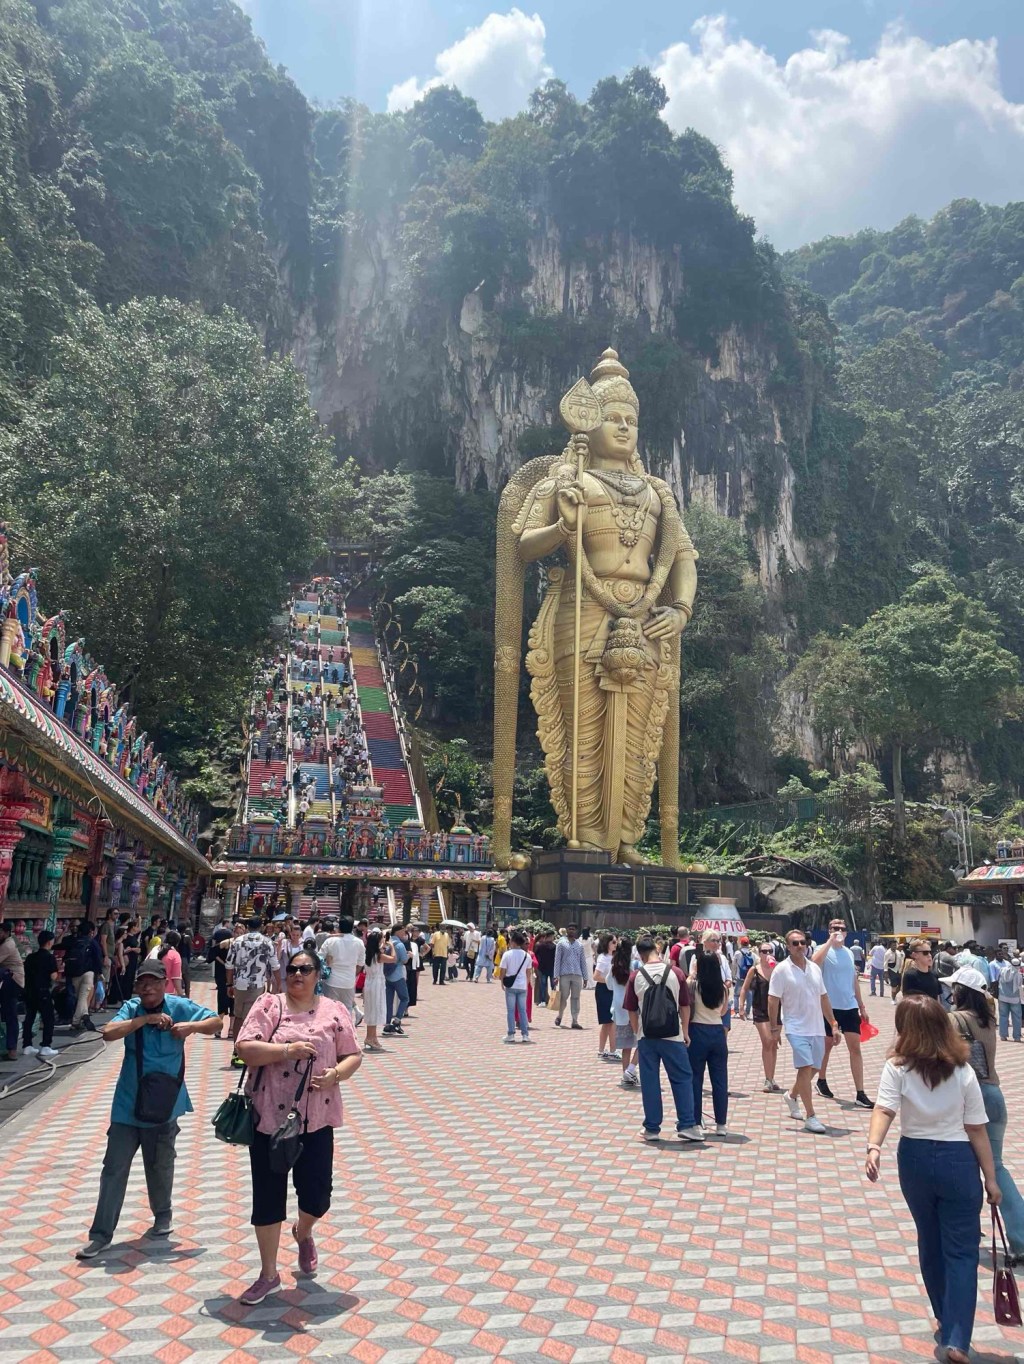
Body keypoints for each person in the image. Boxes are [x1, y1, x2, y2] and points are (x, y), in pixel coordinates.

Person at [864, 995, 1001, 1364]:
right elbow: (976, 1129)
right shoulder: (963, 1070)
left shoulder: (898, 1067)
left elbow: (884, 1108)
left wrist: (873, 1146)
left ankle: (943, 1313)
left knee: (930, 1239)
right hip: (958, 1162)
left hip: (915, 1159)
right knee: (962, 1250)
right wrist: (991, 1179)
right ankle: (957, 1336)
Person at [235, 948, 362, 1304]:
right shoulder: (268, 1005)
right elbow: (244, 1048)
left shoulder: (334, 1010)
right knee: (267, 1197)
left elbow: (353, 1053)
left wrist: (336, 1073)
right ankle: (268, 1274)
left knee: (318, 1195)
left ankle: (302, 1230)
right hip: (268, 1119)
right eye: (292, 968)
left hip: (316, 1117)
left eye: (306, 969)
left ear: (318, 973)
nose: (298, 975)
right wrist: (285, 1052)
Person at [76, 960, 221, 1258]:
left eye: (154, 982)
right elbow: (109, 1032)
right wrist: (144, 1021)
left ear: (165, 981)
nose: (148, 988)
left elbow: (217, 1022)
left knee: (160, 1164)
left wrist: (189, 1027)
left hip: (165, 1103)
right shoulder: (132, 1008)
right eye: (142, 983)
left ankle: (162, 1214)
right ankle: (101, 1234)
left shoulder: (178, 1005)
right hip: (128, 1104)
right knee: (114, 1168)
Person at [948, 966, 1024, 1264]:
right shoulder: (988, 1020)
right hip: (995, 1096)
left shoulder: (954, 1020)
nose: (950, 992)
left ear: (961, 992)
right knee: (997, 1168)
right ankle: (1019, 1235)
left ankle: (964, 1229)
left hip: (969, 1099)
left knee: (963, 1167)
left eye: (954, 987)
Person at [623, 936, 704, 1143]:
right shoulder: (676, 973)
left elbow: (631, 1010)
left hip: (647, 1036)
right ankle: (687, 1124)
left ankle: (652, 1128)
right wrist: (685, 1031)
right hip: (673, 1035)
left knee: (650, 1082)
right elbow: (685, 1006)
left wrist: (637, 1031)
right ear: (657, 950)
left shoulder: (636, 976)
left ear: (640, 955)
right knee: (682, 1078)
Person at [768, 929, 842, 1134]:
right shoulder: (781, 970)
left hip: (816, 1027)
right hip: (795, 1027)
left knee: (814, 1068)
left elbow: (824, 997)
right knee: (805, 1066)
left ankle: (791, 1095)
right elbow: (773, 999)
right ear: (788, 947)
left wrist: (833, 1024)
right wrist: (774, 1027)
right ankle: (811, 1116)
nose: (800, 946)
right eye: (795, 943)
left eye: (803, 942)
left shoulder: (814, 968)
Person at [812, 918, 873, 1108]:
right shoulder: (822, 949)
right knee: (827, 1046)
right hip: (829, 1007)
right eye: (834, 928)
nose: (839, 931)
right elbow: (814, 963)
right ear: (829, 930)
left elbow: (853, 980)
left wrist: (861, 1006)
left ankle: (860, 1092)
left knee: (855, 1048)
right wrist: (830, 941)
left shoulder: (848, 953)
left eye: (842, 929)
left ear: (847, 933)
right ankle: (821, 1079)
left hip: (849, 1007)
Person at [687, 941, 730, 1136]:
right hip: (717, 1033)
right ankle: (721, 1124)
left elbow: (686, 1001)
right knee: (720, 1080)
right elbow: (723, 1011)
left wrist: (693, 971)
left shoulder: (693, 985)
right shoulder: (723, 988)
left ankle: (695, 1122)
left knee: (695, 1078)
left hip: (697, 1031)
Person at [226, 918, 280, 1068]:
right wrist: (278, 985)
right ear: (261, 926)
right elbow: (275, 966)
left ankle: (237, 1051)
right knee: (253, 1017)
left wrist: (229, 984)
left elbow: (229, 965)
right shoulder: (267, 942)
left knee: (238, 1016)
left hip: (240, 984)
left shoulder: (237, 942)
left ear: (248, 926)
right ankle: (249, 1050)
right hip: (257, 984)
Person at [738, 942, 781, 1092]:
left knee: (774, 1043)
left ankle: (772, 1077)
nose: (767, 953)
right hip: (760, 1009)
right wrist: (741, 1006)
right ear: (759, 953)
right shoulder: (754, 970)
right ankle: (767, 1079)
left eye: (770, 951)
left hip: (776, 1011)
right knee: (767, 1041)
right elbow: (744, 988)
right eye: (764, 951)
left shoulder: (778, 969)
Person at [21, 928, 59, 1059]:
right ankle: (46, 1046)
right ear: (49, 942)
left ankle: (27, 1045)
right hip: (43, 991)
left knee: (29, 1018)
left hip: (30, 991)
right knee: (48, 1018)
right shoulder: (50, 957)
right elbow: (54, 976)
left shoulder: (31, 957)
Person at [321, 916, 365, 1021]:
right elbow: (360, 964)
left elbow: (319, 957)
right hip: (349, 981)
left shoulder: (331, 941)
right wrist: (353, 974)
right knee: (347, 1010)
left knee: (330, 1010)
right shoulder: (359, 942)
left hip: (332, 980)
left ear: (339, 927)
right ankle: (346, 1034)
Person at [610, 937, 638, 1087]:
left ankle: (625, 1073)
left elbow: (609, 984)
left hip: (618, 1007)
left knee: (626, 1045)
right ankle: (631, 1070)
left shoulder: (614, 964)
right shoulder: (632, 965)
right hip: (631, 1006)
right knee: (641, 1041)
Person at [498, 930, 533, 1043]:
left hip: (511, 986)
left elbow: (502, 970)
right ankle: (525, 1035)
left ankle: (511, 1034)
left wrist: (502, 981)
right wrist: (527, 983)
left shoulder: (507, 954)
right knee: (523, 1011)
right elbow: (528, 972)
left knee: (511, 1011)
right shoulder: (527, 956)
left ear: (513, 942)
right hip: (522, 986)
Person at [553, 924, 587, 1028]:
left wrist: (585, 977)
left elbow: (583, 962)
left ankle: (575, 1021)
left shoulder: (579, 945)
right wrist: (556, 975)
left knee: (576, 998)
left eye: (573, 929)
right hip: (565, 974)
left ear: (576, 931)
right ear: (567, 930)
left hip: (577, 974)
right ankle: (560, 1016)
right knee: (564, 996)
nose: (571, 931)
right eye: (570, 929)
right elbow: (557, 960)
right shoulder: (561, 944)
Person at [0, 920, 25, 1059]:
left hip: (13, 981)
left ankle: (12, 1049)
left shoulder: (8, 945)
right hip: (8, 981)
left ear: (6, 933)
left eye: (0, 932)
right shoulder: (5, 943)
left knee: (10, 1014)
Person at [362, 930, 388, 1052]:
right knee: (375, 1009)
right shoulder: (378, 955)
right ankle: (370, 1037)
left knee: (371, 1009)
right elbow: (393, 959)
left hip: (369, 982)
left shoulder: (368, 953)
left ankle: (372, 1037)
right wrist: (391, 946)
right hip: (376, 983)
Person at [593, 933, 617, 1058]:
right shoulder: (603, 958)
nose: (615, 944)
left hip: (612, 990)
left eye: (616, 942)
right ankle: (612, 1051)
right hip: (604, 990)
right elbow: (596, 976)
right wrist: (610, 981)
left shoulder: (614, 956)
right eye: (613, 942)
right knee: (610, 1021)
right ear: (607, 943)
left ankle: (602, 1050)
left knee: (609, 1022)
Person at [383, 926, 410, 1036]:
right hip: (398, 975)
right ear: (398, 931)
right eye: (403, 931)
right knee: (405, 998)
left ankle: (387, 1024)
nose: (405, 933)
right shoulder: (399, 945)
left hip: (387, 974)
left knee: (389, 1001)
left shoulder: (387, 942)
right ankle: (397, 1020)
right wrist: (409, 955)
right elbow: (404, 960)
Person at [997, 953, 1023, 1042]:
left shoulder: (1003, 970)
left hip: (1003, 997)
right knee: (1016, 1017)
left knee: (1003, 1016)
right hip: (1014, 999)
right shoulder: (1018, 974)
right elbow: (1019, 985)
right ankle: (1017, 1037)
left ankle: (1003, 1036)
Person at [731, 939, 754, 1019]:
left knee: (736, 995)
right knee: (749, 995)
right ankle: (747, 1012)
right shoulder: (751, 953)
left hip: (739, 977)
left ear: (741, 943)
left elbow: (734, 965)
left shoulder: (737, 953)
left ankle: (737, 1012)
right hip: (749, 977)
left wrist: (733, 975)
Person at [158, 930, 184, 996]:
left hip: (150, 991)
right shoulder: (174, 955)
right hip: (168, 993)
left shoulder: (155, 949)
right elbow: (176, 978)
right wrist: (181, 994)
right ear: (177, 943)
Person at [533, 931, 555, 1004]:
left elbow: (535, 955)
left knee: (543, 985)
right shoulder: (554, 946)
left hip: (542, 968)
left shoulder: (540, 945)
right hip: (552, 968)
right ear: (550, 936)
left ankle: (542, 1001)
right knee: (553, 985)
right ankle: (553, 1001)